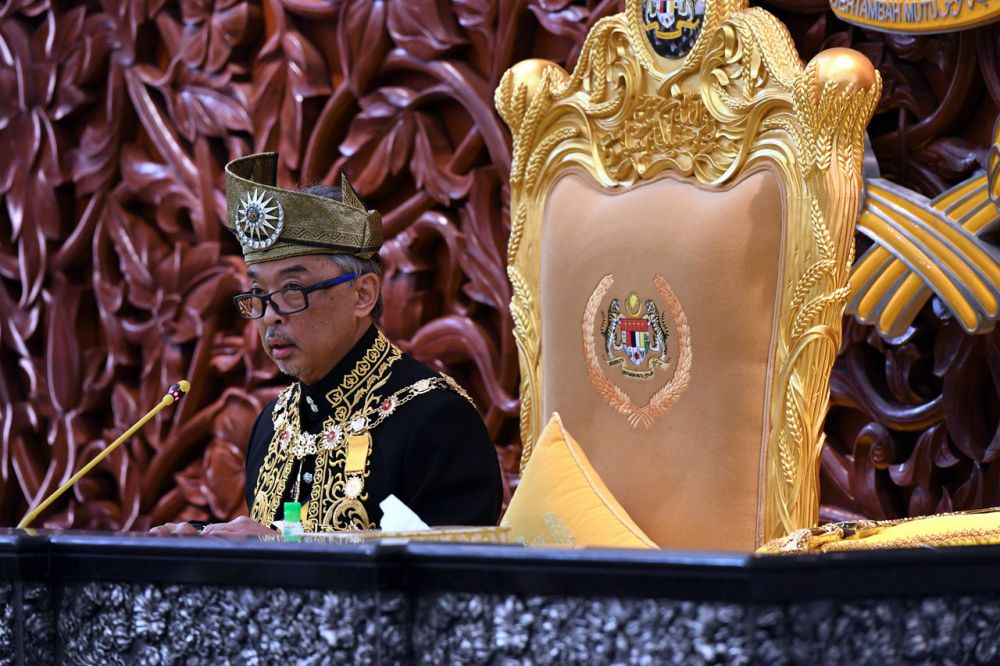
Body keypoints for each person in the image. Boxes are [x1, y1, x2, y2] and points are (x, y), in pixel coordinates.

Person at [152, 152, 502, 536]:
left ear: (363, 295)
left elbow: (452, 583)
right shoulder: (272, 425)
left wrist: (282, 552)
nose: (271, 315)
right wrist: (202, 540)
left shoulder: (437, 419)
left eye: (292, 289)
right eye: (258, 292)